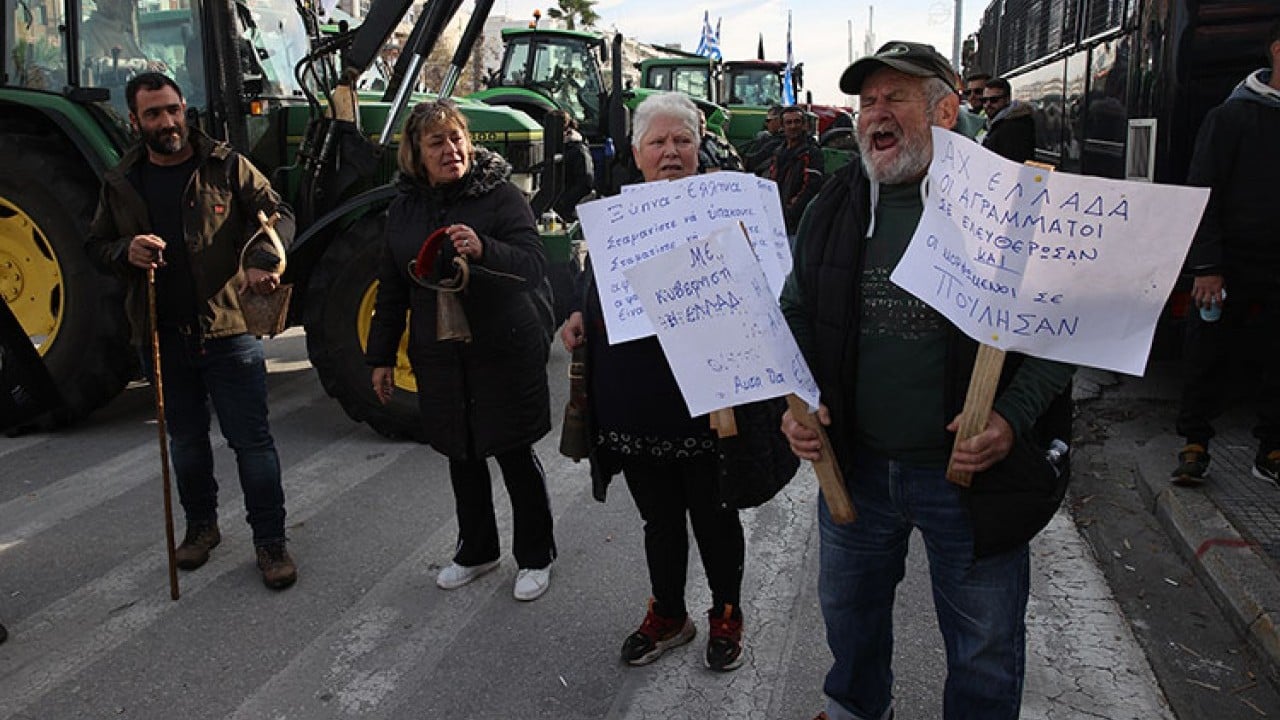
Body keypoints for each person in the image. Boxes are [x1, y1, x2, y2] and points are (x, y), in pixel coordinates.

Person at [778, 42, 1074, 720]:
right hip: (855, 469)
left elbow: (1062, 336)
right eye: (867, 102)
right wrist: (795, 403)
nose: (875, 115)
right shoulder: (832, 206)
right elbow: (795, 310)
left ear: (945, 110)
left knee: (984, 648)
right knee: (849, 626)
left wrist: (1010, 420)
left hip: (971, 482)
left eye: (895, 99)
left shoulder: (1013, 208)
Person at [85, 73, 298, 590]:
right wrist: (124, 251)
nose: (168, 122)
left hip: (228, 331)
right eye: (154, 114)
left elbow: (280, 215)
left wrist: (264, 259)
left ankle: (270, 543)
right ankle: (202, 529)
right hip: (162, 336)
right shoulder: (121, 182)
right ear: (135, 122)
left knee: (253, 444)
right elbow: (96, 246)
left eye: (173, 110)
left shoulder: (226, 166)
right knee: (185, 443)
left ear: (186, 110)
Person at [560, 92, 747, 672]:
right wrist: (575, 313)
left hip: (706, 402)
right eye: (658, 142)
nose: (671, 152)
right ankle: (669, 614)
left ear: (700, 147)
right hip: (634, 401)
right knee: (658, 520)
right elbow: (590, 284)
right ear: (637, 153)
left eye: (682, 140)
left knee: (715, 517)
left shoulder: (726, 207)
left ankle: (725, 611)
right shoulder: (614, 216)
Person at [366, 99, 557, 601]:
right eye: (438, 142)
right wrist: (380, 357)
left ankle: (536, 556)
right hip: (441, 352)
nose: (451, 150)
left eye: (457, 139)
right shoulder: (403, 209)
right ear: (416, 154)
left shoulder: (501, 198)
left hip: (502, 346)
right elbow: (391, 289)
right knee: (461, 453)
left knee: (513, 452)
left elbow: (533, 267)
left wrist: (485, 248)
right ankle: (477, 550)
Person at [1172, 20, 1280, 488]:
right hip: (1228, 264)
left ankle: (1271, 448)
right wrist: (1208, 266)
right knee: (1206, 355)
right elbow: (1203, 193)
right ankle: (1194, 445)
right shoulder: (1231, 117)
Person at [769, 105, 825, 234]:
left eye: (797, 122)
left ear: (804, 125)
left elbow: (811, 188)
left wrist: (790, 211)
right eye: (789, 122)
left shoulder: (812, 153)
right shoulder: (778, 153)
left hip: (797, 225)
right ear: (782, 127)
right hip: (778, 221)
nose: (793, 126)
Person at [82, 0, 166, 80]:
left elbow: (141, 61)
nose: (115, 3)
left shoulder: (124, 31)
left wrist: (153, 65)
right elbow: (94, 65)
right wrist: (141, 65)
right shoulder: (89, 29)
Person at [547, 109, 595, 221]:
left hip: (567, 210)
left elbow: (586, 181)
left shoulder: (577, 149)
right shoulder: (560, 147)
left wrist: (563, 203)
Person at [980, 77, 1036, 163]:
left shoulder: (1014, 127)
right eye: (984, 100)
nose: (988, 104)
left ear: (1007, 99)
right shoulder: (997, 123)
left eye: (994, 100)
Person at [745, 104, 785, 175]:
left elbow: (751, 163)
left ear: (779, 120)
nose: (766, 123)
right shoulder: (770, 138)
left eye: (768, 120)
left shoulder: (776, 142)